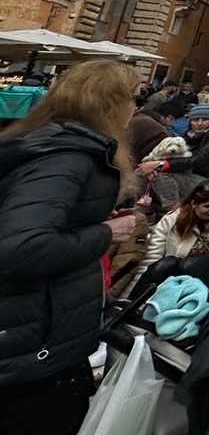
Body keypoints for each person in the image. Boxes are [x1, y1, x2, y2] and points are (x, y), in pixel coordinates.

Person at [0, 60, 139, 435]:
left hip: (33, 342)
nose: (135, 109)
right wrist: (107, 232)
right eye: (132, 99)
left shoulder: (51, 143)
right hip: (30, 356)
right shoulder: (68, 158)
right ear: (109, 104)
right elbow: (19, 248)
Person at [135, 179, 209, 288]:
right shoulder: (171, 219)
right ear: (193, 204)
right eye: (208, 206)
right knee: (167, 264)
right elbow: (152, 257)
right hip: (179, 277)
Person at [138, 104, 209, 183]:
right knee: (145, 174)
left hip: (207, 179)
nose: (199, 123)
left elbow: (198, 159)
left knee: (162, 178)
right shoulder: (189, 134)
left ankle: (172, 205)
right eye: (195, 120)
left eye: (205, 119)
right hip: (188, 173)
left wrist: (160, 164)